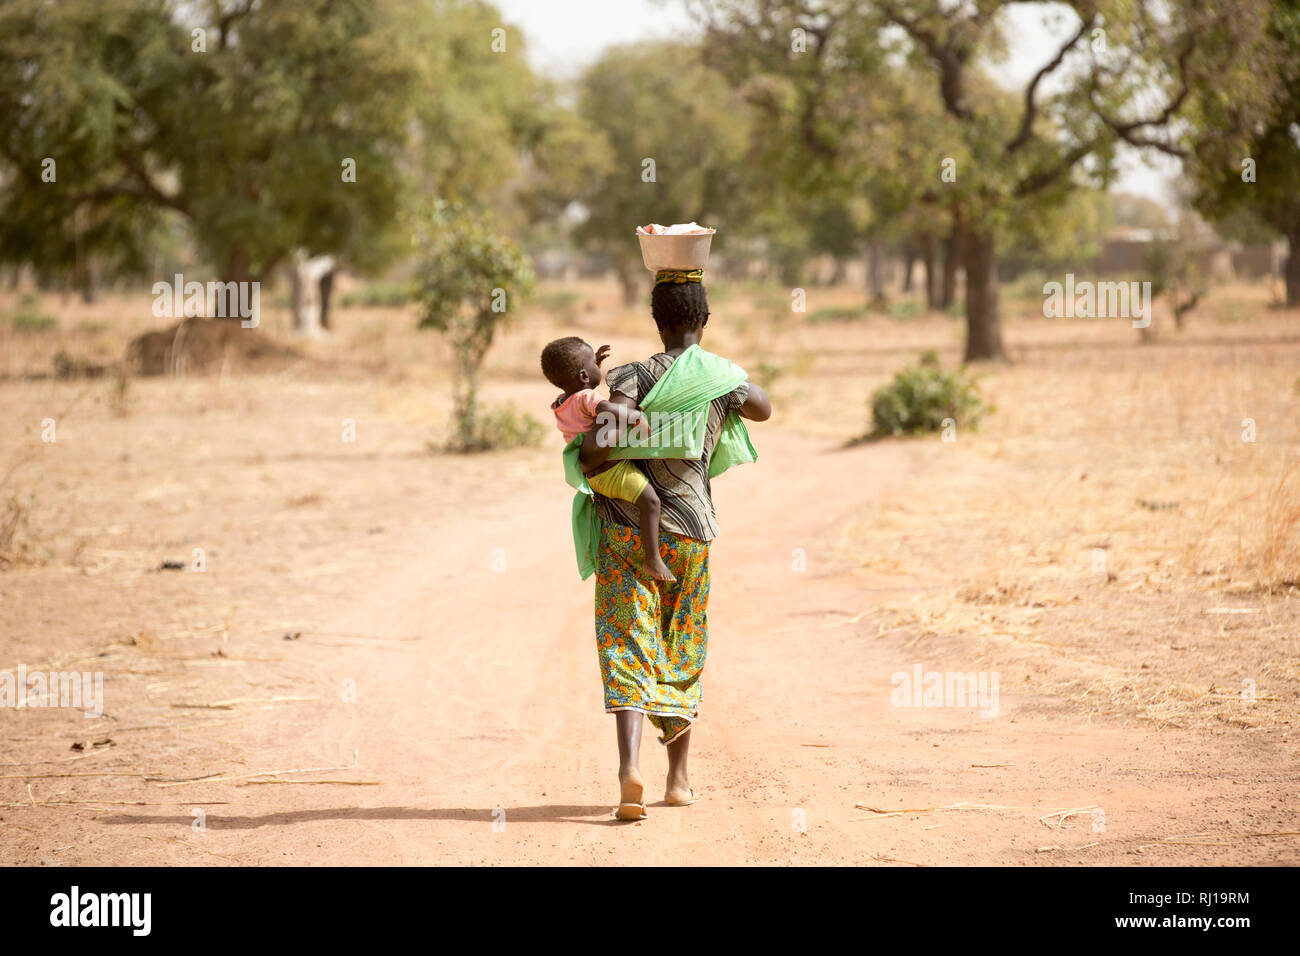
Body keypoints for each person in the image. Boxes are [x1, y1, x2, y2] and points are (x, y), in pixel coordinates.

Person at [591, 269, 771, 820]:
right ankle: (678, 778)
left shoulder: (632, 375)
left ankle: (628, 768)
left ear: (656, 321)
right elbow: (763, 407)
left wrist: (630, 426)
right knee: (680, 646)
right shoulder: (723, 379)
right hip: (690, 530)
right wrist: (731, 382)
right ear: (705, 320)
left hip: (625, 526)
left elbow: (602, 438)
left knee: (627, 641)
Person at [542, 337, 676, 581]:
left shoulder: (562, 402)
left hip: (592, 474)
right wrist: (633, 415)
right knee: (651, 502)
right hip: (610, 471)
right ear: (583, 376)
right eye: (594, 363)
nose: (597, 367)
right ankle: (653, 559)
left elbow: (583, 398)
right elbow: (603, 408)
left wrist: (593, 367)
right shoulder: (587, 398)